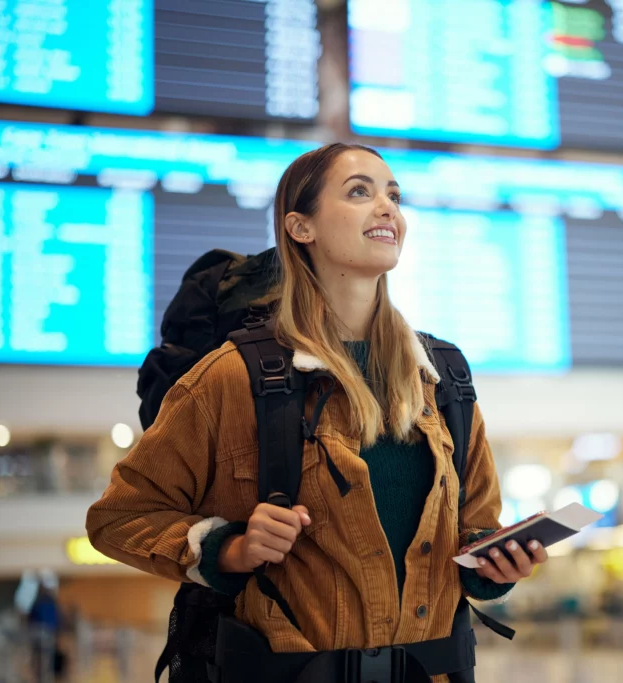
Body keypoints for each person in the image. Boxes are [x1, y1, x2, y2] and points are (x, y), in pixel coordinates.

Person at [86, 143, 549, 681]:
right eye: (360, 192)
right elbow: (119, 517)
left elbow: (474, 530)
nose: (387, 209)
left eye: (393, 195)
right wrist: (228, 549)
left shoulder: (441, 378)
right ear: (300, 228)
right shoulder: (233, 377)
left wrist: (493, 567)